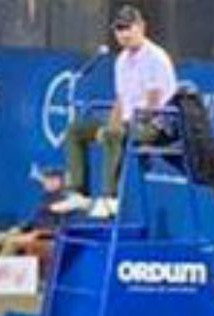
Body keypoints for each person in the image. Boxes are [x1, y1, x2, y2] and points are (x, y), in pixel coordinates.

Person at [53, 5, 177, 221]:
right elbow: (121, 101)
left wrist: (115, 130)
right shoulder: (121, 61)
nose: (123, 34)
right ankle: (78, 193)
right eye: (119, 29)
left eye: (128, 28)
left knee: (114, 134)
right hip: (129, 122)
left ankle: (110, 198)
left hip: (155, 125)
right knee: (76, 130)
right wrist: (111, 125)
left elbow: (154, 102)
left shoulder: (155, 57)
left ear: (141, 28)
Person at [0, 165, 69, 259]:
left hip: (45, 237)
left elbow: (62, 227)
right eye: (47, 179)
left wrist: (38, 233)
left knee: (12, 242)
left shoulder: (66, 201)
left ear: (59, 182)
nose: (48, 182)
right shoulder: (45, 198)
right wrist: (19, 228)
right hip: (31, 232)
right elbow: (33, 220)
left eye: (52, 180)